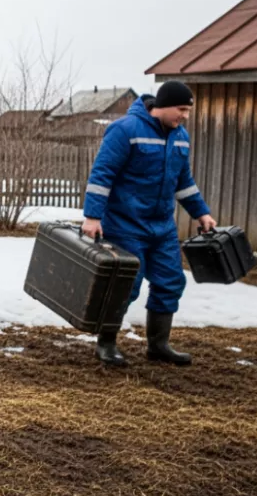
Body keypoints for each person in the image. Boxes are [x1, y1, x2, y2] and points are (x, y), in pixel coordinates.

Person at [80, 81, 215, 368]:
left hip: (162, 227)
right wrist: (92, 217)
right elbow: (102, 174)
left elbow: (183, 183)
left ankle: (158, 345)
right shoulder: (125, 130)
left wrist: (201, 213)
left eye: (188, 110)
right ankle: (106, 344)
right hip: (125, 225)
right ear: (163, 106)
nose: (185, 116)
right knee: (126, 286)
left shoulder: (180, 137)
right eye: (181, 109)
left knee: (171, 282)